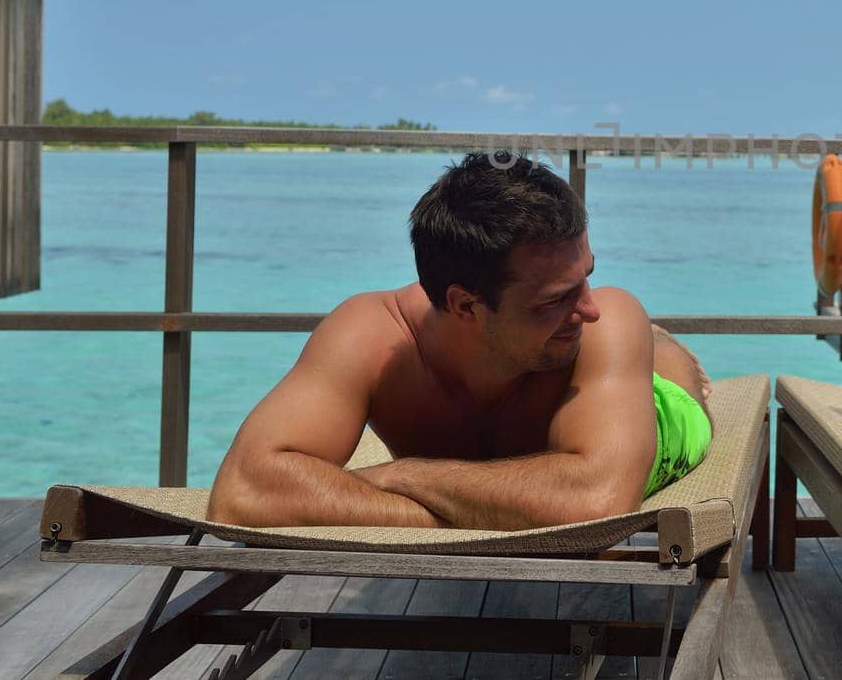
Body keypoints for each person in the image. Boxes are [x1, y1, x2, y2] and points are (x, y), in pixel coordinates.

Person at [207, 152, 713, 530]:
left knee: (650, 351)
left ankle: (661, 347)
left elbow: (598, 503)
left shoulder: (603, 322)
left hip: (655, 412)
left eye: (585, 278)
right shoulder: (371, 333)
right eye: (553, 300)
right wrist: (460, 517)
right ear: (465, 304)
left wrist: (402, 477)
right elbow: (243, 491)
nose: (588, 307)